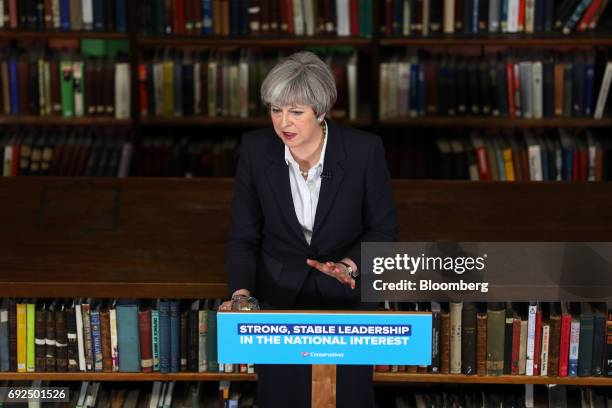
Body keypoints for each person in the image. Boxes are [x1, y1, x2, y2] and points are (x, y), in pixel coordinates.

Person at [222, 51, 399, 408]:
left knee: (348, 398)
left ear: (320, 112)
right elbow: (244, 235)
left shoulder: (364, 151)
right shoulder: (256, 150)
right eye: (275, 110)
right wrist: (242, 297)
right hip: (278, 295)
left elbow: (384, 231)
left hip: (346, 299)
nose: (283, 122)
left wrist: (349, 266)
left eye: (295, 111)